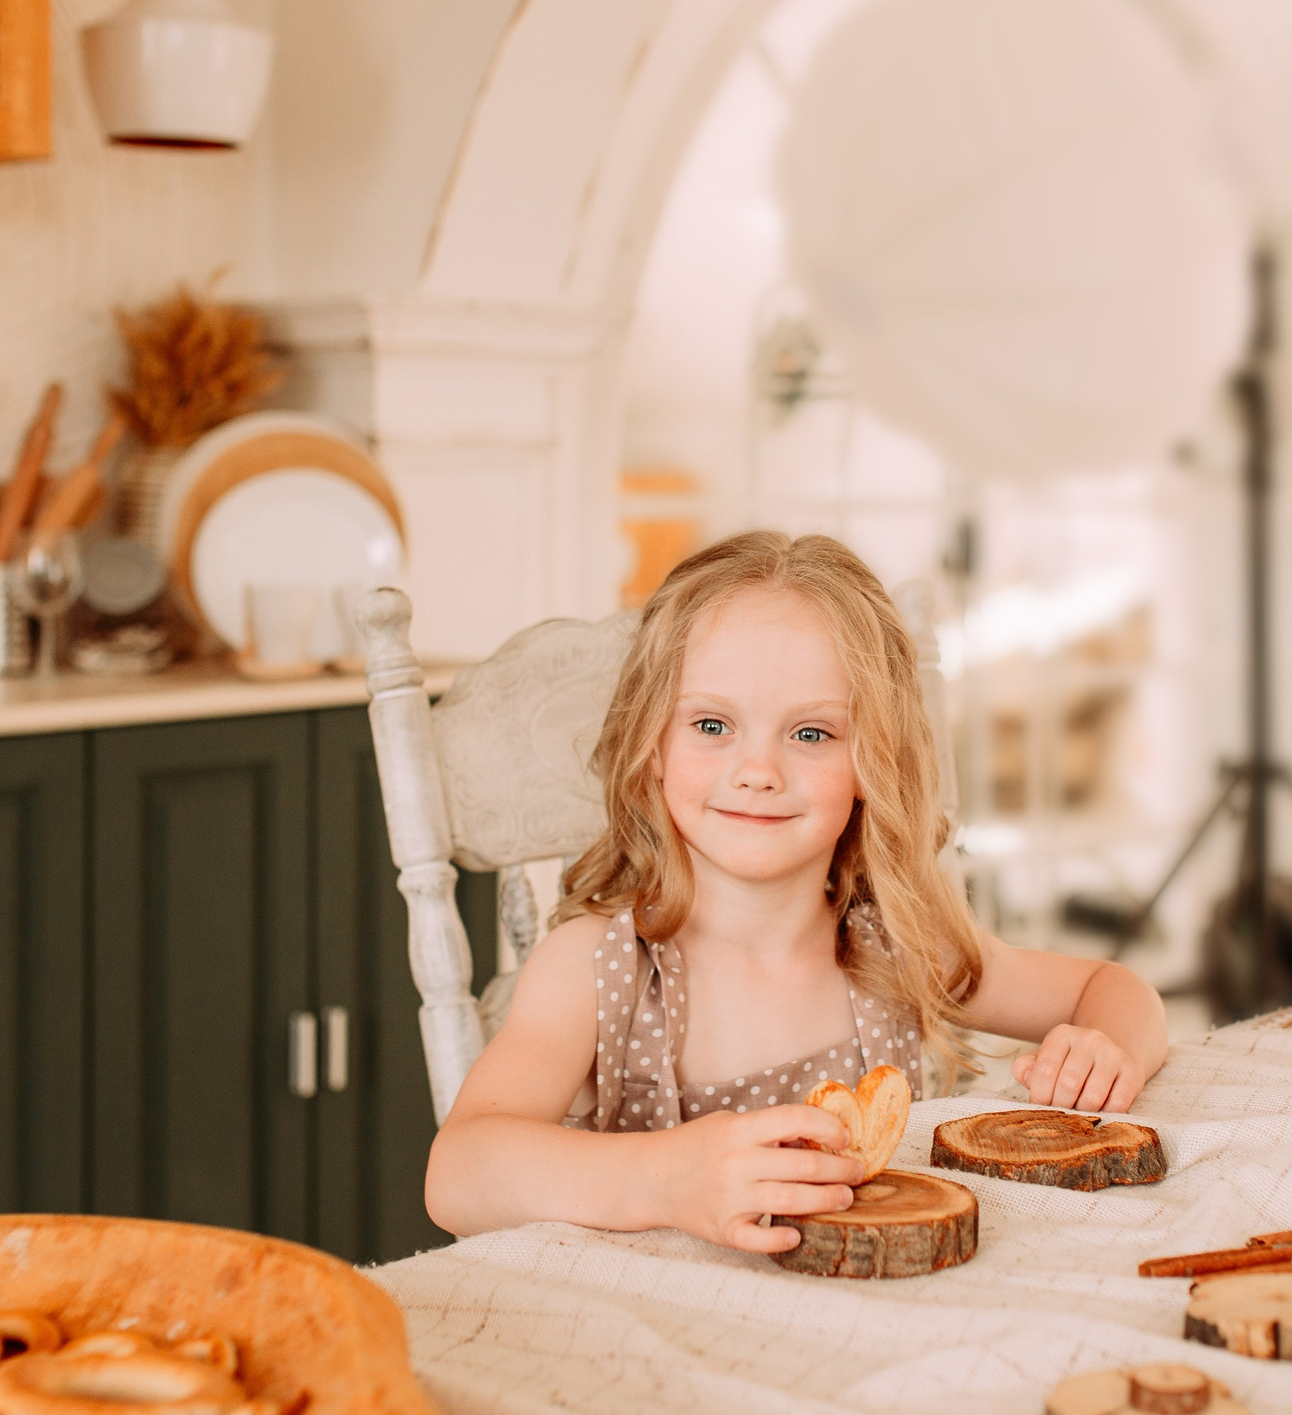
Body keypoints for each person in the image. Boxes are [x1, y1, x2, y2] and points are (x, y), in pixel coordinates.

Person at [424, 531, 1168, 1254]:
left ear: (874, 760)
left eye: (811, 734)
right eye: (712, 723)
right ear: (653, 743)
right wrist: (663, 1178)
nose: (759, 769)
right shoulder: (598, 971)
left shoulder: (896, 946)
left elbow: (1112, 988)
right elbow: (457, 1172)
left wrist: (1104, 1048)